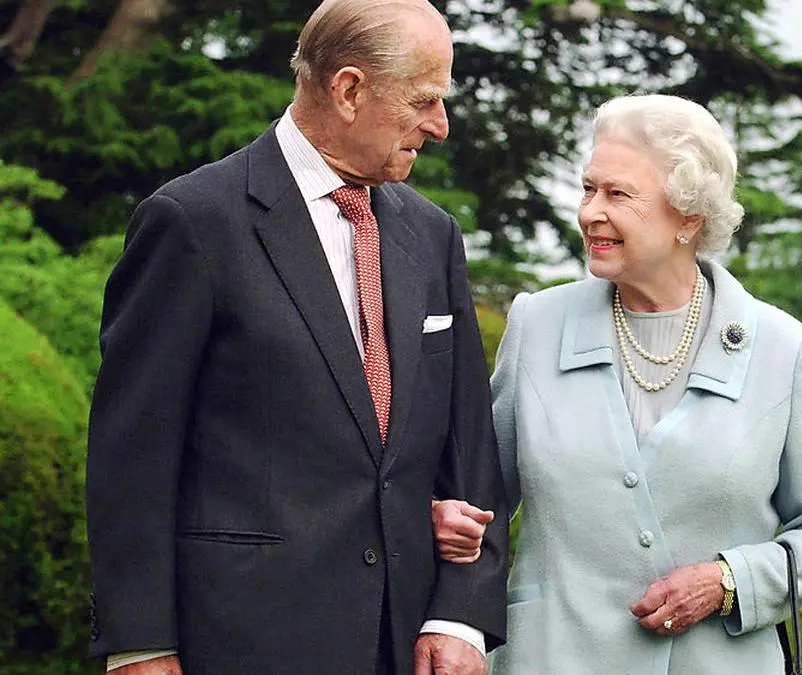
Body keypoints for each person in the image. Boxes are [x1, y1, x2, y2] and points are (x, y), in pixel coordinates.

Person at [85, 1, 507, 674]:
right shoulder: (191, 223)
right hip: (240, 641)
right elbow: (130, 456)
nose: (441, 125)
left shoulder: (433, 236)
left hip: (406, 645)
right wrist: (141, 644)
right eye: (424, 100)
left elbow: (470, 447)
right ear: (348, 90)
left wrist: (460, 612)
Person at [433, 94, 802, 674]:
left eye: (618, 194)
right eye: (588, 189)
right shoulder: (537, 325)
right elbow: (479, 496)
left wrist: (729, 581)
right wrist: (442, 519)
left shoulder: (785, 351)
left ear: (688, 216)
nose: (591, 212)